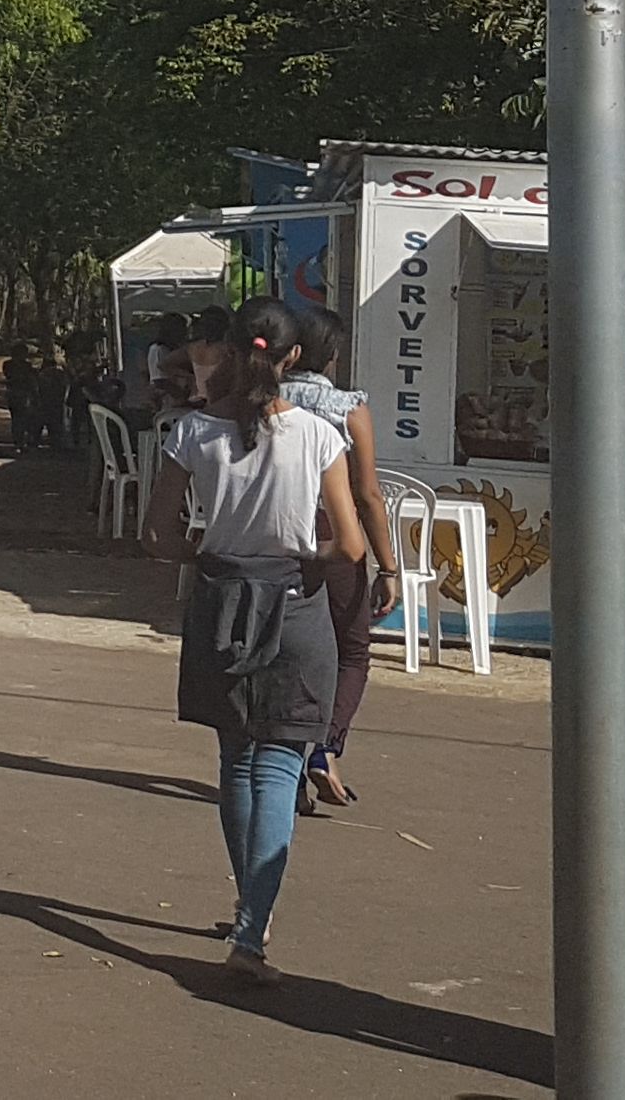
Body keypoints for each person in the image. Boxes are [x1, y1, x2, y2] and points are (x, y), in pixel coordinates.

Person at [144, 314, 368, 986]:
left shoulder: (192, 433)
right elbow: (349, 545)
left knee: (237, 759)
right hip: (294, 608)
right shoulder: (319, 434)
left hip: (221, 603)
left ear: (228, 354)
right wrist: (304, 554)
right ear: (294, 357)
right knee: (278, 765)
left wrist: (209, 554)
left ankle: (251, 910)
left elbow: (158, 535)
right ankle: (251, 930)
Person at [269, 307, 391, 808]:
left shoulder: (265, 401)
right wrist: (389, 567)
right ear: (332, 355)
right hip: (335, 534)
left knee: (285, 651)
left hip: (277, 532)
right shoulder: (347, 408)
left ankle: (287, 768)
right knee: (352, 650)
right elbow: (368, 494)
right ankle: (325, 746)